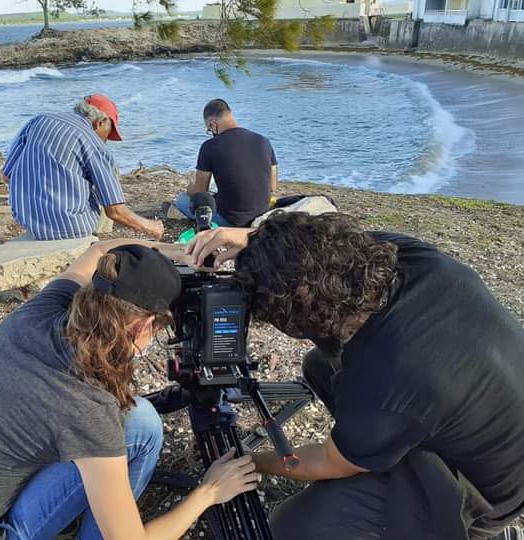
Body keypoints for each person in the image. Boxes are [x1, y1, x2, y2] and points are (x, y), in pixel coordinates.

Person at [186, 212, 524, 540]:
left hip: (484, 494)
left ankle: (446, 522)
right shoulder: (406, 256)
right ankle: (376, 444)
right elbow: (310, 253)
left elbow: (325, 461)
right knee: (320, 365)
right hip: (488, 418)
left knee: (290, 527)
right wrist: (255, 240)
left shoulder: (390, 373)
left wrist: (251, 461)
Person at [0, 240, 258, 539]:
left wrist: (168, 252)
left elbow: (101, 248)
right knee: (141, 431)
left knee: (141, 420)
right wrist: (208, 493)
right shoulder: (89, 405)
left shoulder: (43, 309)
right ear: (144, 326)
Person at [3, 94, 164, 241]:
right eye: (109, 132)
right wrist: (150, 226)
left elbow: (7, 174)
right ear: (100, 122)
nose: (106, 140)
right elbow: (114, 210)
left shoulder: (39, 120)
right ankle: (98, 233)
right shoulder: (95, 144)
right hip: (70, 228)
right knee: (107, 176)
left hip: (25, 217)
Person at [175, 99, 277, 227]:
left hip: (231, 220)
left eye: (209, 130)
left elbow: (200, 191)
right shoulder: (263, 141)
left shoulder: (209, 146)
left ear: (212, 124)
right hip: (262, 215)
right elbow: (272, 186)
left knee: (181, 200)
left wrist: (190, 188)